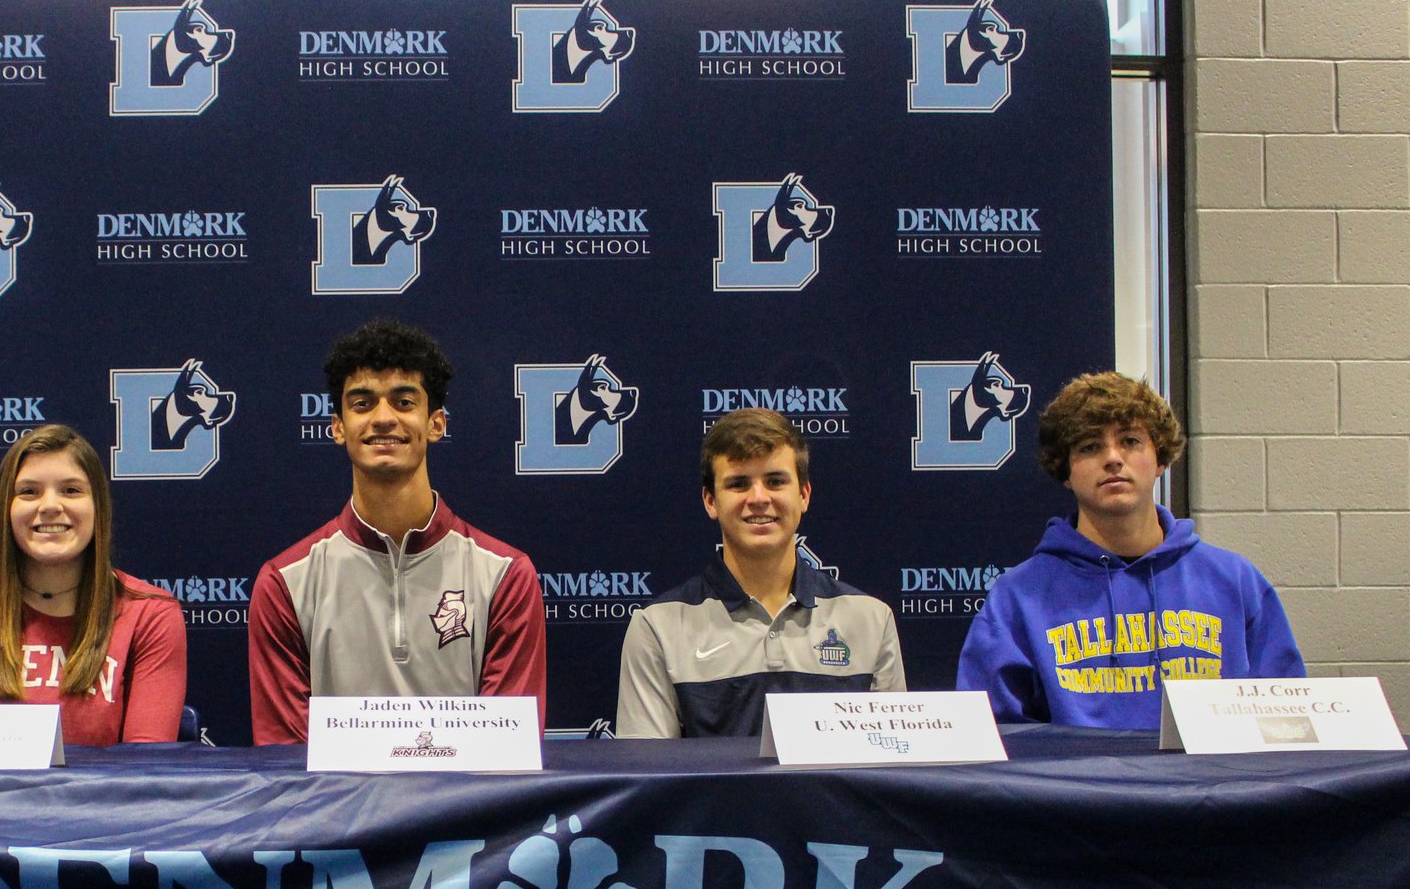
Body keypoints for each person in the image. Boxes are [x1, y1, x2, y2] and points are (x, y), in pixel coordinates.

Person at [248, 318, 546, 744]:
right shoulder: (284, 583)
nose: (383, 418)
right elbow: (288, 762)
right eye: (363, 403)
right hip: (337, 812)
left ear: (436, 424)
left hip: (464, 812)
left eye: (404, 402)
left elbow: (506, 754)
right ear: (337, 427)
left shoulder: (505, 576)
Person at [957, 372, 1303, 727]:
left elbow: (1284, 723)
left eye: (1130, 441)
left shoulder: (1235, 580)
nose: (1112, 458)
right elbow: (991, 740)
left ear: (1161, 459)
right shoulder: (1018, 597)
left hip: (1206, 783)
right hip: (1078, 782)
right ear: (1065, 471)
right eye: (1090, 446)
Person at [617, 408, 903, 738]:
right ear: (710, 501)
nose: (759, 498)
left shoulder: (871, 619)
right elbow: (650, 777)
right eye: (739, 484)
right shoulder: (658, 628)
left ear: (804, 495)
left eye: (775, 481)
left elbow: (888, 767)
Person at [0, 423, 186, 743]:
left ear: (98, 507)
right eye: (29, 491)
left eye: (71, 490)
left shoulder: (149, 613)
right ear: (6, 509)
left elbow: (145, 771)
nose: (51, 506)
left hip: (103, 795)